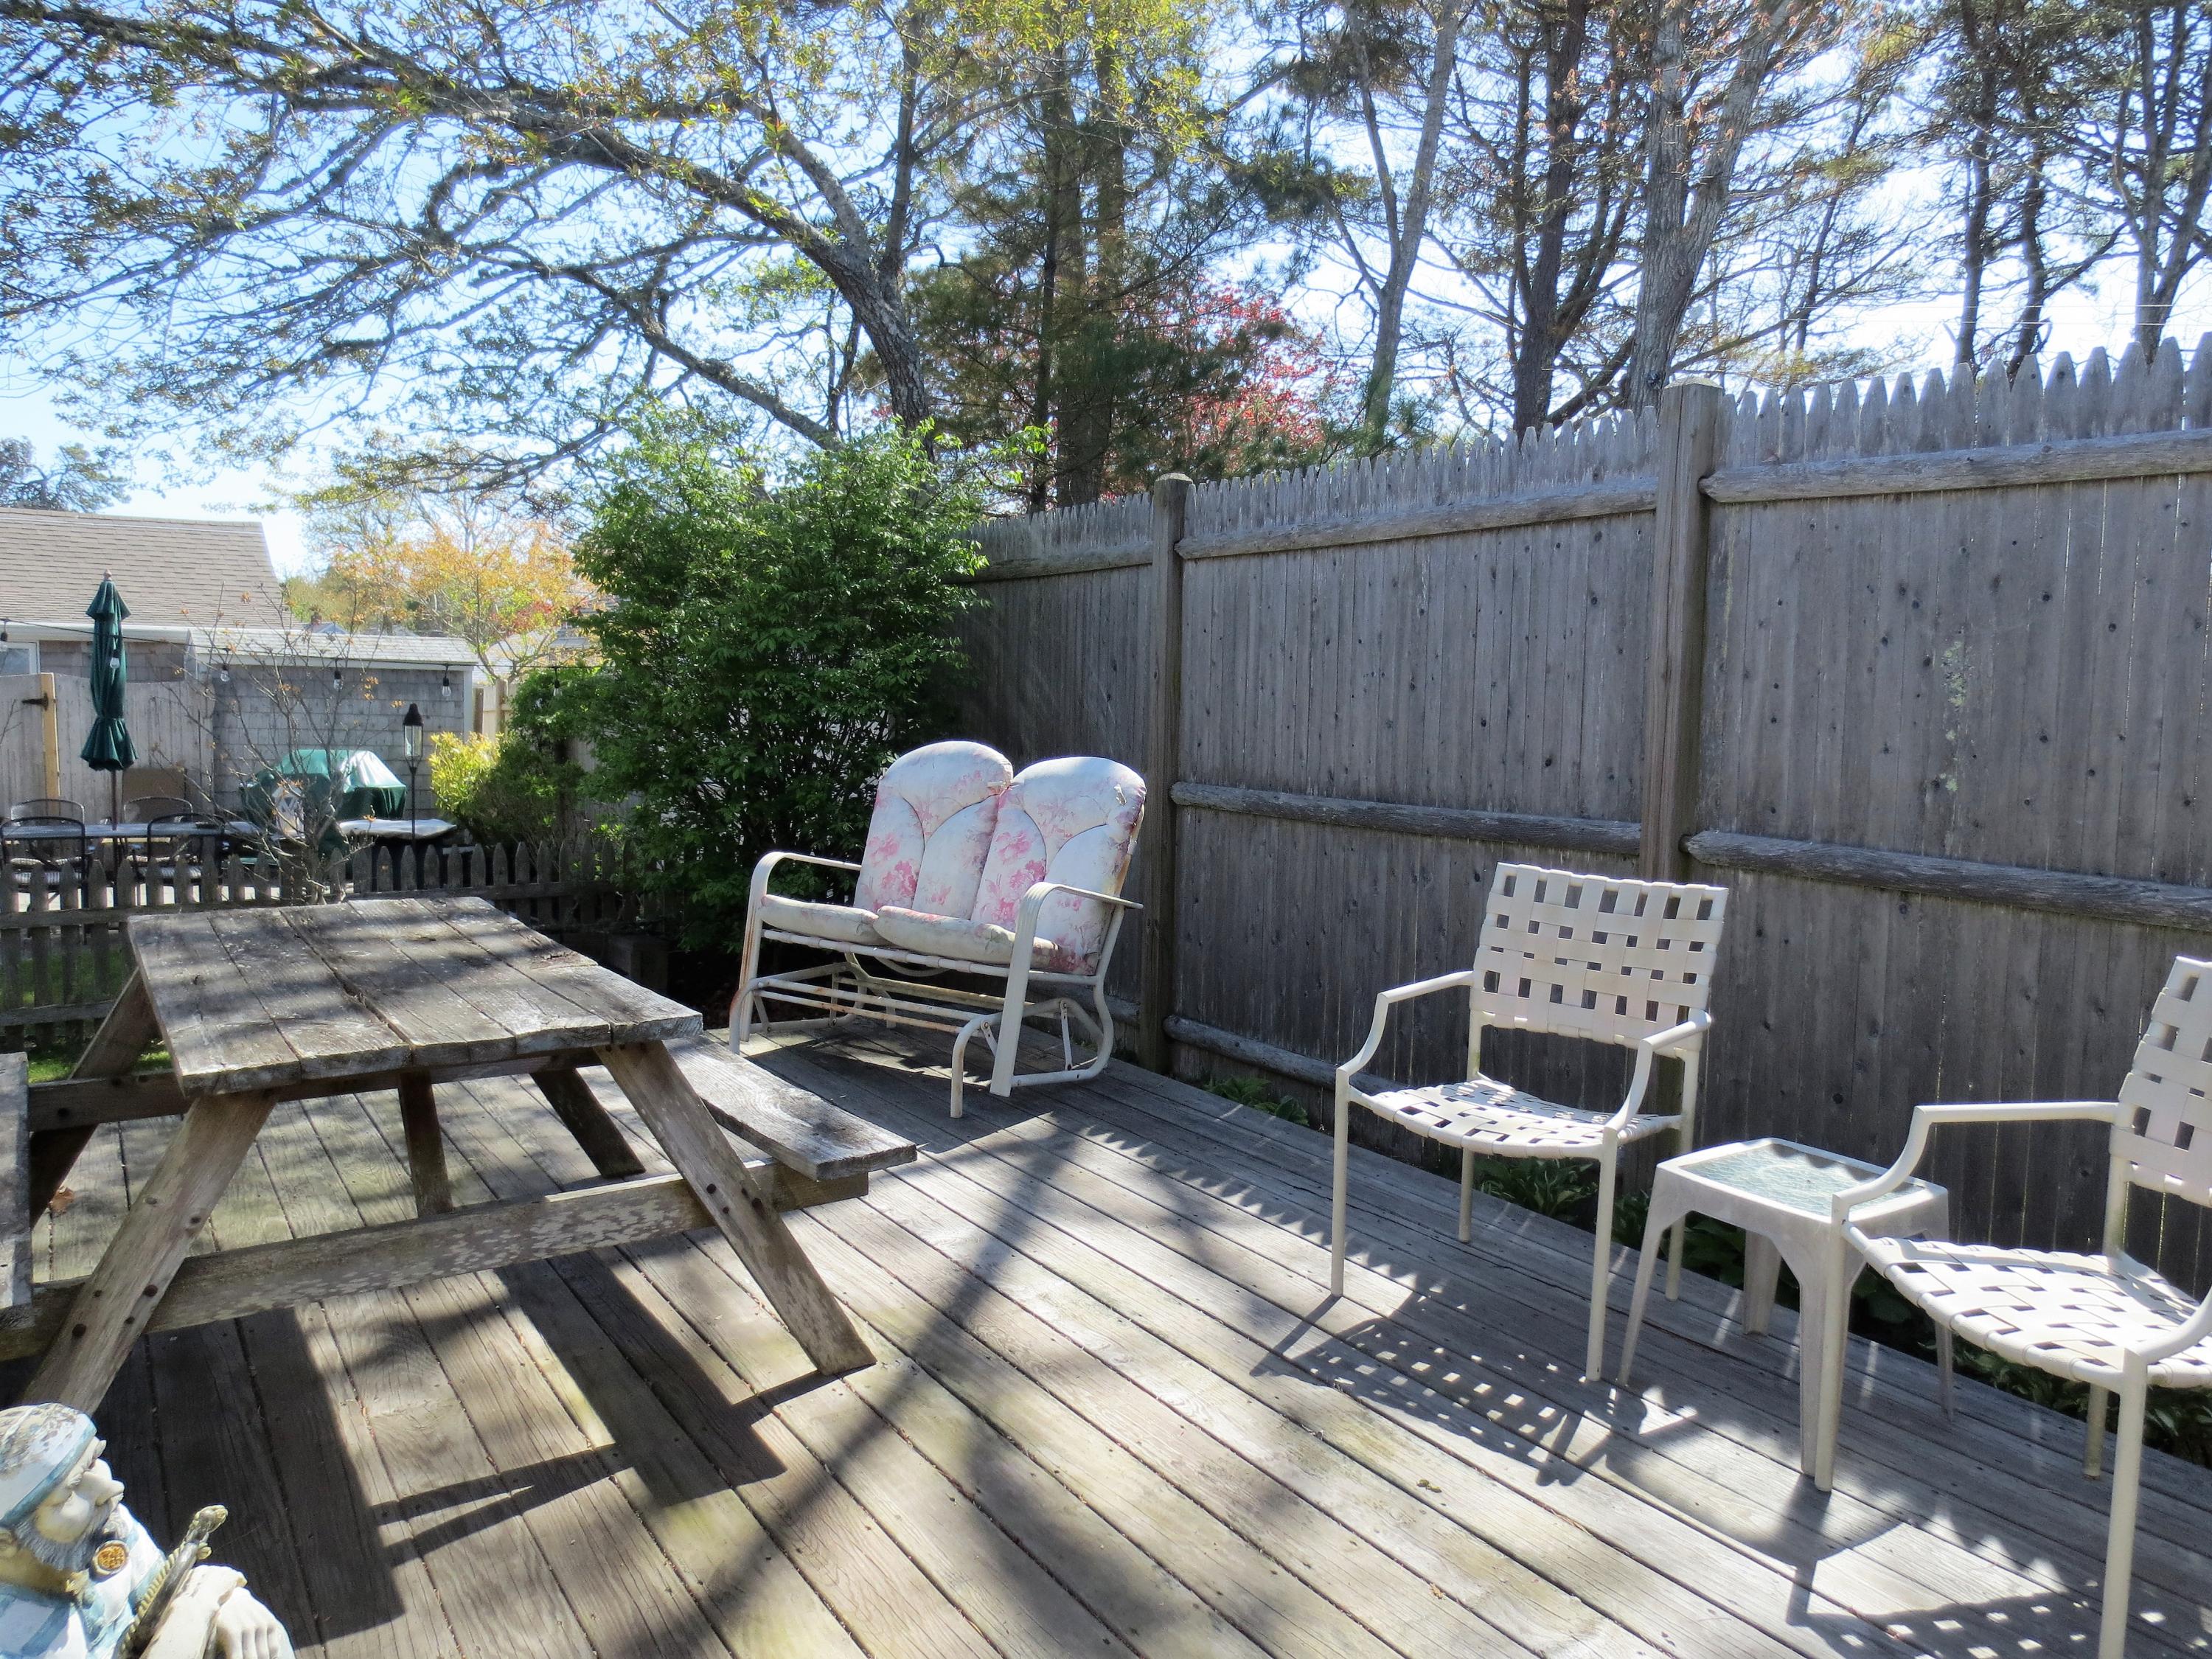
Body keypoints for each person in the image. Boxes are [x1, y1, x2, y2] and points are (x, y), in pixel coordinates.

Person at [0, 1405, 291, 1658]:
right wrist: (201, 1598)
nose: (111, 1489)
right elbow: (186, 1606)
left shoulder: (102, 1530)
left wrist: (226, 1602)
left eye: (93, 1461)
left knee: (263, 1637)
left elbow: (161, 1595)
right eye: (73, 1491)